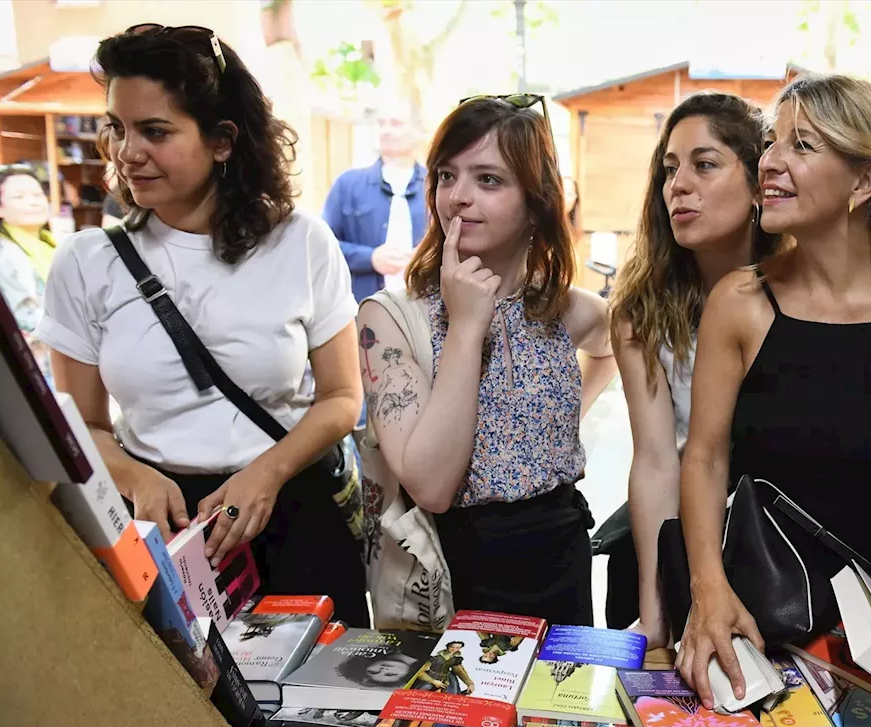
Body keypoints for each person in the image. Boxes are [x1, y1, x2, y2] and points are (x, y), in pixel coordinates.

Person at [36, 25, 369, 625]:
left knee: (322, 710)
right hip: (161, 528)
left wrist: (266, 474)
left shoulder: (300, 243)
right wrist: (135, 476)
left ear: (221, 141)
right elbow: (81, 424)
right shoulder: (87, 262)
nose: (126, 152)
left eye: (155, 131)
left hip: (292, 506)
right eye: (116, 127)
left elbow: (343, 397)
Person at [677, 74, 871, 708]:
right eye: (771, 143)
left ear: (864, 181)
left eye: (803, 146)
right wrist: (708, 594)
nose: (770, 163)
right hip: (754, 604)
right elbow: (704, 459)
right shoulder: (739, 300)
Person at [357, 96, 615, 626]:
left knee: (556, 710)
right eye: (447, 176)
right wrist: (467, 325)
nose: (459, 197)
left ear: (537, 203)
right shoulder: (392, 318)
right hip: (450, 570)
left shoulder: (563, 307)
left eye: (489, 180)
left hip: (559, 557)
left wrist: (561, 419)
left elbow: (608, 343)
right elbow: (431, 486)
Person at [607, 92, 780, 649]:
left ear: (761, 181)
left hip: (785, 547)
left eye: (705, 165)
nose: (678, 185)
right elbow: (657, 461)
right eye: (669, 169)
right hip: (678, 544)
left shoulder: (801, 294)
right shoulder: (642, 309)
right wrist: (655, 613)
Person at [323, 100, 428, 303]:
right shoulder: (348, 184)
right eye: (381, 123)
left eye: (396, 123)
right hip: (363, 311)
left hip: (423, 311)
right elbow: (324, 245)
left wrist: (427, 256)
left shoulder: (437, 185)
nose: (386, 130)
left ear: (418, 131)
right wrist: (370, 258)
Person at [0, 167, 56, 380]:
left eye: (37, 195)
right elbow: (25, 317)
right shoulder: (5, 254)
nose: (34, 202)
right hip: (38, 365)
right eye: (19, 197)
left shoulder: (46, 242)